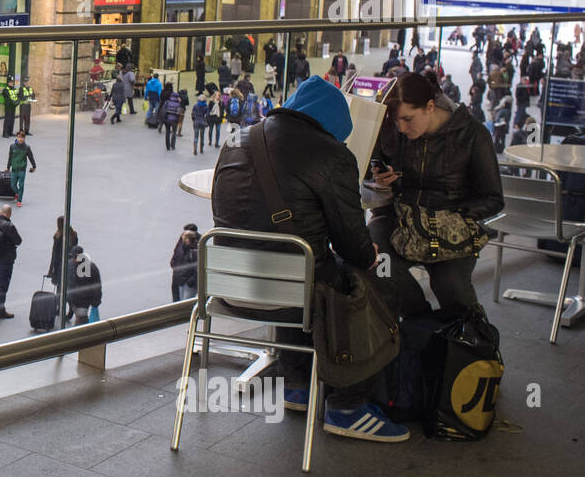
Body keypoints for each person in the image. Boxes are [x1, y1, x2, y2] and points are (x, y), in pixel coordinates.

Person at [213, 75, 408, 442]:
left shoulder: (235, 140)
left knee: (293, 265)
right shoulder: (334, 155)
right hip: (288, 295)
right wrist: (372, 257)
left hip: (228, 286)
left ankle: (298, 384)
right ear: (333, 127)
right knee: (373, 283)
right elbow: (354, 245)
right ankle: (348, 405)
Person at [369, 71, 504, 316]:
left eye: (408, 119)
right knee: (378, 264)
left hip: (449, 227)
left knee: (450, 284)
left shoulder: (472, 135)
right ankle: (420, 323)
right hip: (399, 219)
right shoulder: (394, 129)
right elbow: (373, 163)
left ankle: (471, 339)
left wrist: (453, 215)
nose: (401, 127)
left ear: (430, 106)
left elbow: (493, 199)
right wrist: (378, 175)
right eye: (397, 120)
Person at [46, 216, 79, 321]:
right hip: (71, 265)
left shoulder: (58, 236)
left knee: (60, 289)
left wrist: (51, 269)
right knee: (68, 288)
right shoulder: (74, 235)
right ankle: (70, 310)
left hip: (60, 265)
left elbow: (54, 253)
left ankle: (59, 308)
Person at [66, 244, 103, 324]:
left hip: (82, 301)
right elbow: (97, 285)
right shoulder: (91, 266)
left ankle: (80, 333)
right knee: (81, 319)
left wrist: (96, 301)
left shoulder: (69, 265)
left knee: (81, 320)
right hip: (78, 299)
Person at [169, 224, 200, 301]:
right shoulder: (180, 244)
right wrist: (173, 264)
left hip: (189, 283)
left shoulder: (197, 247)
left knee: (186, 304)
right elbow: (176, 255)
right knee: (176, 303)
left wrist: (192, 281)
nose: (184, 238)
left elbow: (200, 266)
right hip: (178, 278)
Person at [6, 130, 37, 206]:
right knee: (12, 185)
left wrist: (34, 166)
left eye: (22, 137)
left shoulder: (27, 147)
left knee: (21, 185)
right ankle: (17, 193)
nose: (21, 139)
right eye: (19, 137)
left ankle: (19, 200)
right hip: (14, 169)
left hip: (22, 170)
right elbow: (10, 157)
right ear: (17, 137)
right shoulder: (12, 146)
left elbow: (31, 157)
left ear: (24, 138)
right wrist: (7, 167)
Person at [161, 82, 183, 150]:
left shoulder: (167, 102)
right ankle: (172, 145)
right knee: (174, 132)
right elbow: (179, 113)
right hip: (174, 120)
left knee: (167, 132)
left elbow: (163, 109)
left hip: (167, 119)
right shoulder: (178, 104)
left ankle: (167, 146)